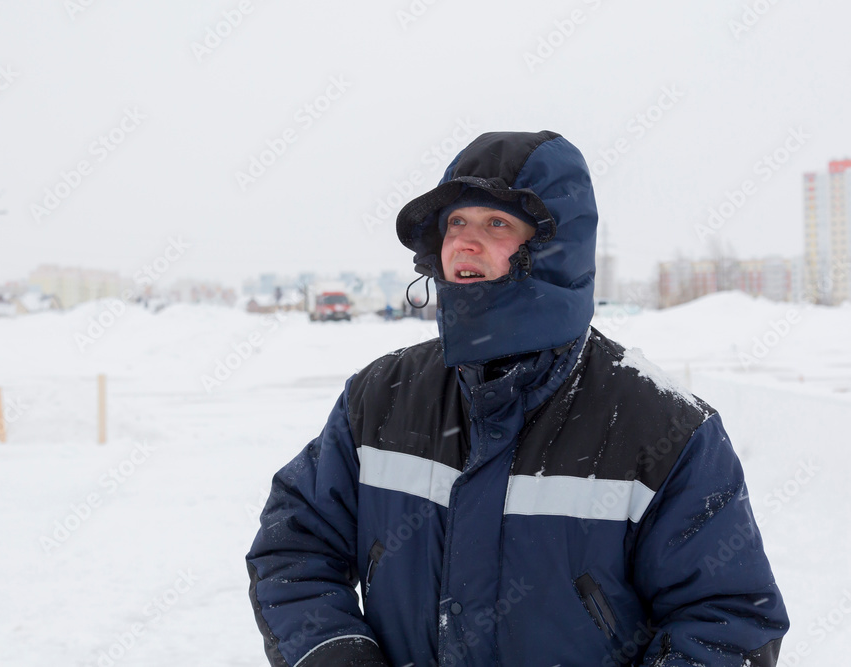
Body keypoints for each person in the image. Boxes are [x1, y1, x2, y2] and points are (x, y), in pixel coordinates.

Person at [245, 131, 788, 666]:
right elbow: (295, 546)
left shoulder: (664, 428)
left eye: (496, 223)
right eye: (456, 222)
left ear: (554, 249)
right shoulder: (381, 398)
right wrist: (333, 653)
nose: (465, 241)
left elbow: (727, 622)